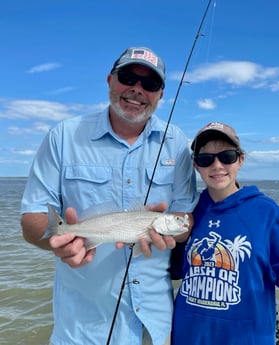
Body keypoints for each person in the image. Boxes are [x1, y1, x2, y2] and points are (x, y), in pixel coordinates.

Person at [20, 46, 198, 345]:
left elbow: (185, 217)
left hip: (155, 325)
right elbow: (31, 220)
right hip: (83, 327)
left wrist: (178, 230)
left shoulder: (176, 142)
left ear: (161, 94)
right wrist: (59, 243)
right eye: (128, 77)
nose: (137, 89)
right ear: (109, 80)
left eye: (150, 84)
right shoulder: (63, 136)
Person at [171, 122, 279, 345]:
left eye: (227, 156)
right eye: (206, 159)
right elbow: (174, 270)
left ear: (240, 160)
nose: (217, 165)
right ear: (196, 165)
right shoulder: (188, 213)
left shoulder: (266, 212)